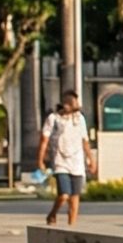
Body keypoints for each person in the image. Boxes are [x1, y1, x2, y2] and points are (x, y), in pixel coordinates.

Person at [40, 91, 97, 225]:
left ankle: (72, 226)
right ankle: (53, 213)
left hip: (77, 162)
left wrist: (91, 160)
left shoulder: (79, 119)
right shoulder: (53, 119)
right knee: (64, 195)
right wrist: (40, 159)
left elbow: (85, 141)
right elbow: (44, 140)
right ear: (65, 104)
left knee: (74, 197)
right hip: (60, 162)